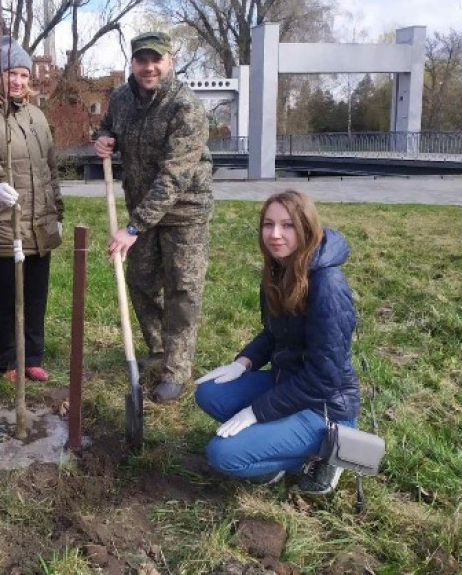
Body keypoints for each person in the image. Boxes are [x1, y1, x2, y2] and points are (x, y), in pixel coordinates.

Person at [195, 190, 360, 494]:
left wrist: (255, 412)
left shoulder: (328, 286)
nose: (275, 235)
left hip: (324, 408)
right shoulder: (280, 268)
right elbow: (275, 333)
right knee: (209, 393)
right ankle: (272, 454)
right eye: (268, 224)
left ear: (306, 228)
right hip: (288, 382)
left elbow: (324, 379)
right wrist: (242, 362)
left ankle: (326, 454)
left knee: (223, 455)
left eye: (287, 226)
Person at [94, 31, 213, 403]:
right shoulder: (120, 98)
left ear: (170, 61)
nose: (149, 67)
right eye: (142, 60)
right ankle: (158, 351)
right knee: (142, 281)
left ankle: (177, 369)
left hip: (184, 212)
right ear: (133, 63)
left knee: (182, 289)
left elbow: (174, 176)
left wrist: (132, 227)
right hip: (141, 208)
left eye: (156, 60)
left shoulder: (186, 107)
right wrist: (103, 138)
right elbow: (109, 128)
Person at [0, 36, 64, 382]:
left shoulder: (37, 116)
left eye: (23, 74)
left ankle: (33, 356)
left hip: (42, 220)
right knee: (9, 294)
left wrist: (58, 212)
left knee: (37, 292)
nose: (18, 81)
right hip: (7, 218)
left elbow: (50, 167)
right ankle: (9, 360)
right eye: (11, 73)